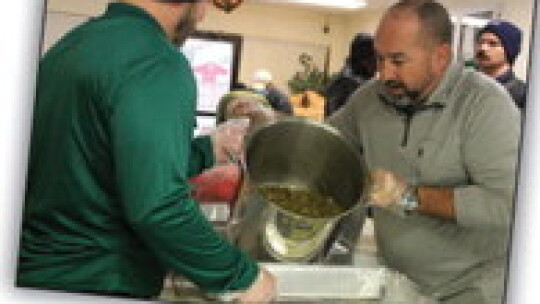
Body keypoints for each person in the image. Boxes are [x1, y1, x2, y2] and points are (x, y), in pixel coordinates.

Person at [16, 0, 276, 302]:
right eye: (202, 2)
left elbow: (104, 159)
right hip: (99, 279)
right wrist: (242, 276)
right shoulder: (156, 61)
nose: (202, 14)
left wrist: (208, 149)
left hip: (38, 273)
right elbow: (159, 208)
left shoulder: (70, 47)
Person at [328, 0, 520, 303]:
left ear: (440, 56)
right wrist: (266, 126)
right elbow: (327, 144)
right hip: (397, 281)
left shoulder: (484, 105)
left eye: (398, 60)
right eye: (380, 59)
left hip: (468, 289)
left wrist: (410, 196)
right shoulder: (370, 99)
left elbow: (509, 204)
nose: (385, 73)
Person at [475, 20, 527, 109]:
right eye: (480, 42)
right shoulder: (467, 87)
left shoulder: (522, 95)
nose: (482, 48)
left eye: (492, 43)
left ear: (509, 51)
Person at [324, 33, 377, 116]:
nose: (378, 65)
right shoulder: (344, 84)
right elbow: (334, 122)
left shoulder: (363, 82)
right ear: (364, 60)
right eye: (376, 59)